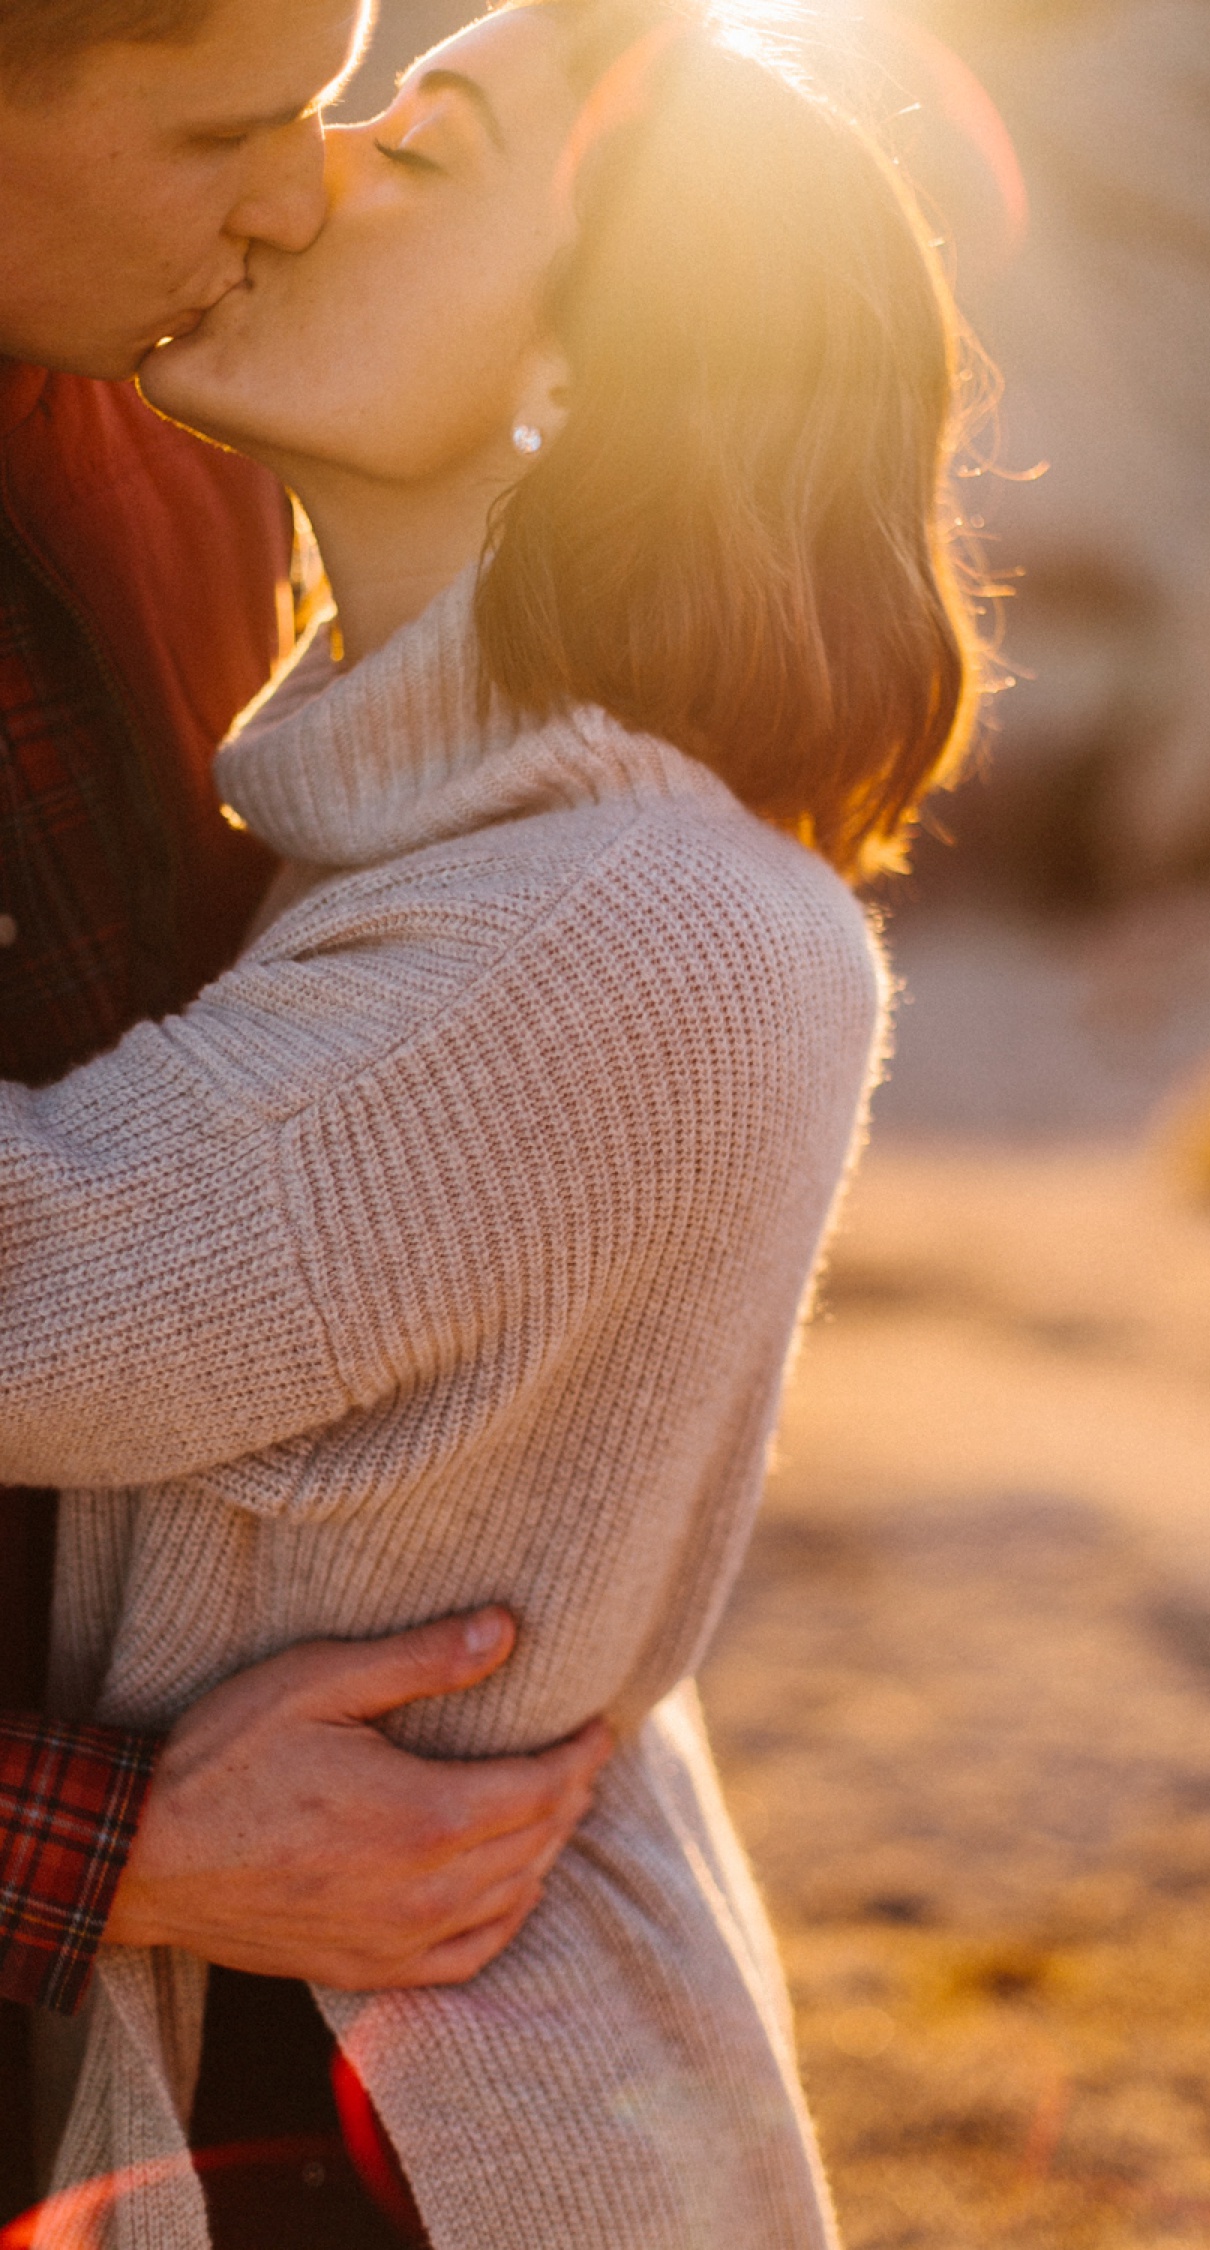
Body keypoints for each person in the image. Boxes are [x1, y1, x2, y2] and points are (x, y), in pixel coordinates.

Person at [1, 0, 977, 2243]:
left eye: (414, 156)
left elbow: (32, 1293)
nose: (314, 178)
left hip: (386, 2129)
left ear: (581, 378)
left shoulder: (596, 929)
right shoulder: (469, 848)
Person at [0, 0, 610, 2227]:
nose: (297, 188)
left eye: (332, 107)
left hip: (215, 2020)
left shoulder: (175, 447)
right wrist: (105, 1837)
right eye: (221, 130)